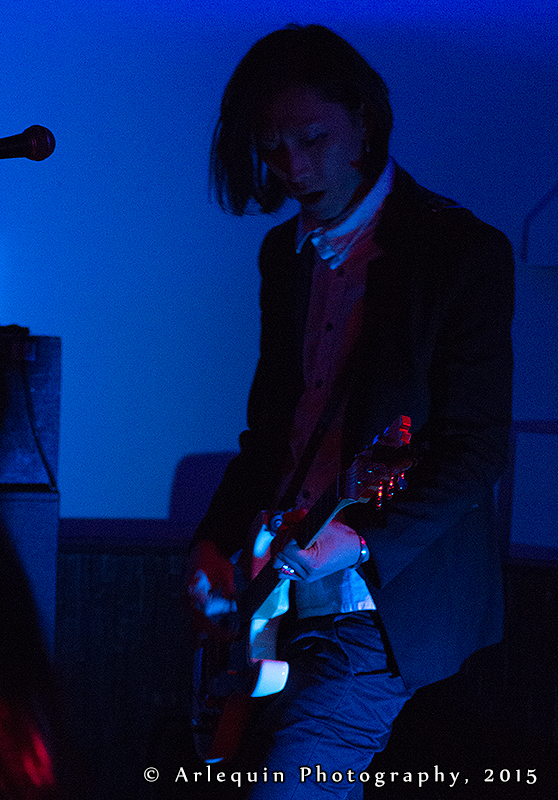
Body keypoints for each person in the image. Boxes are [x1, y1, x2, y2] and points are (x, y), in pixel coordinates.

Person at [186, 23, 514, 799]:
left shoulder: (458, 250)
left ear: (364, 123)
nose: (293, 168)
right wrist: (213, 543)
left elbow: (475, 449)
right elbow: (273, 434)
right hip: (280, 591)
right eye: (272, 147)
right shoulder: (284, 254)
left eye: (312, 139)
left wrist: (360, 539)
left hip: (382, 603)